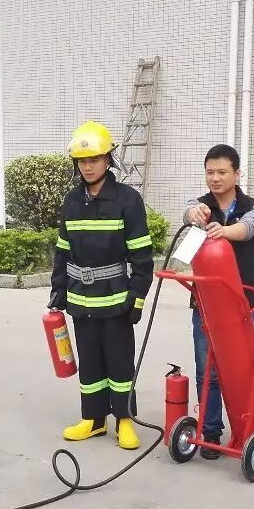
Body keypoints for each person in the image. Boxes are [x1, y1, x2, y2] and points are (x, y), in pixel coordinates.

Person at [49, 121, 154, 451]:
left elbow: (142, 255)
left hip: (115, 299)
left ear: (108, 159)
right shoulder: (71, 201)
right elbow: (63, 250)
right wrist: (58, 288)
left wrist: (137, 297)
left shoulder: (127, 200)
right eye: (82, 161)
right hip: (81, 299)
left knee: (119, 362)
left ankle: (124, 420)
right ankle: (94, 420)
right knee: (90, 360)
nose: (88, 166)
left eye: (94, 159)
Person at [182, 144, 254, 459]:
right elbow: (187, 213)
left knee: (249, 370)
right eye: (210, 172)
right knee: (207, 372)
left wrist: (224, 231)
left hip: (244, 305)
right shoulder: (200, 205)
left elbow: (247, 229)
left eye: (222, 172)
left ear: (237, 173)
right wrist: (193, 215)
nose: (215, 178)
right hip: (205, 306)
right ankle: (211, 431)